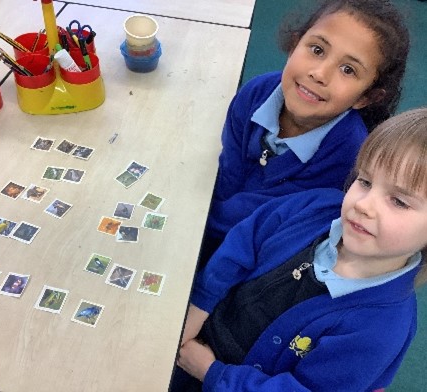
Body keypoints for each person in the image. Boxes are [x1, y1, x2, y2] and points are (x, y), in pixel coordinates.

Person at [173, 107, 427, 391]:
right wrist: (197, 310)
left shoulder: (380, 329)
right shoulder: (316, 207)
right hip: (194, 333)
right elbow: (245, 241)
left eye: (399, 202)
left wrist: (212, 373)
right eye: (365, 181)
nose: (363, 205)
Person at [201, 0, 410, 263]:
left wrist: (196, 226)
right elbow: (229, 169)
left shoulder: (348, 156)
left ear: (366, 97)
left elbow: (266, 219)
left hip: (254, 254)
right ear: (294, 45)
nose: (320, 74)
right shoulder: (256, 92)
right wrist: (199, 214)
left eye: (348, 69)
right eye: (317, 49)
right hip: (210, 223)